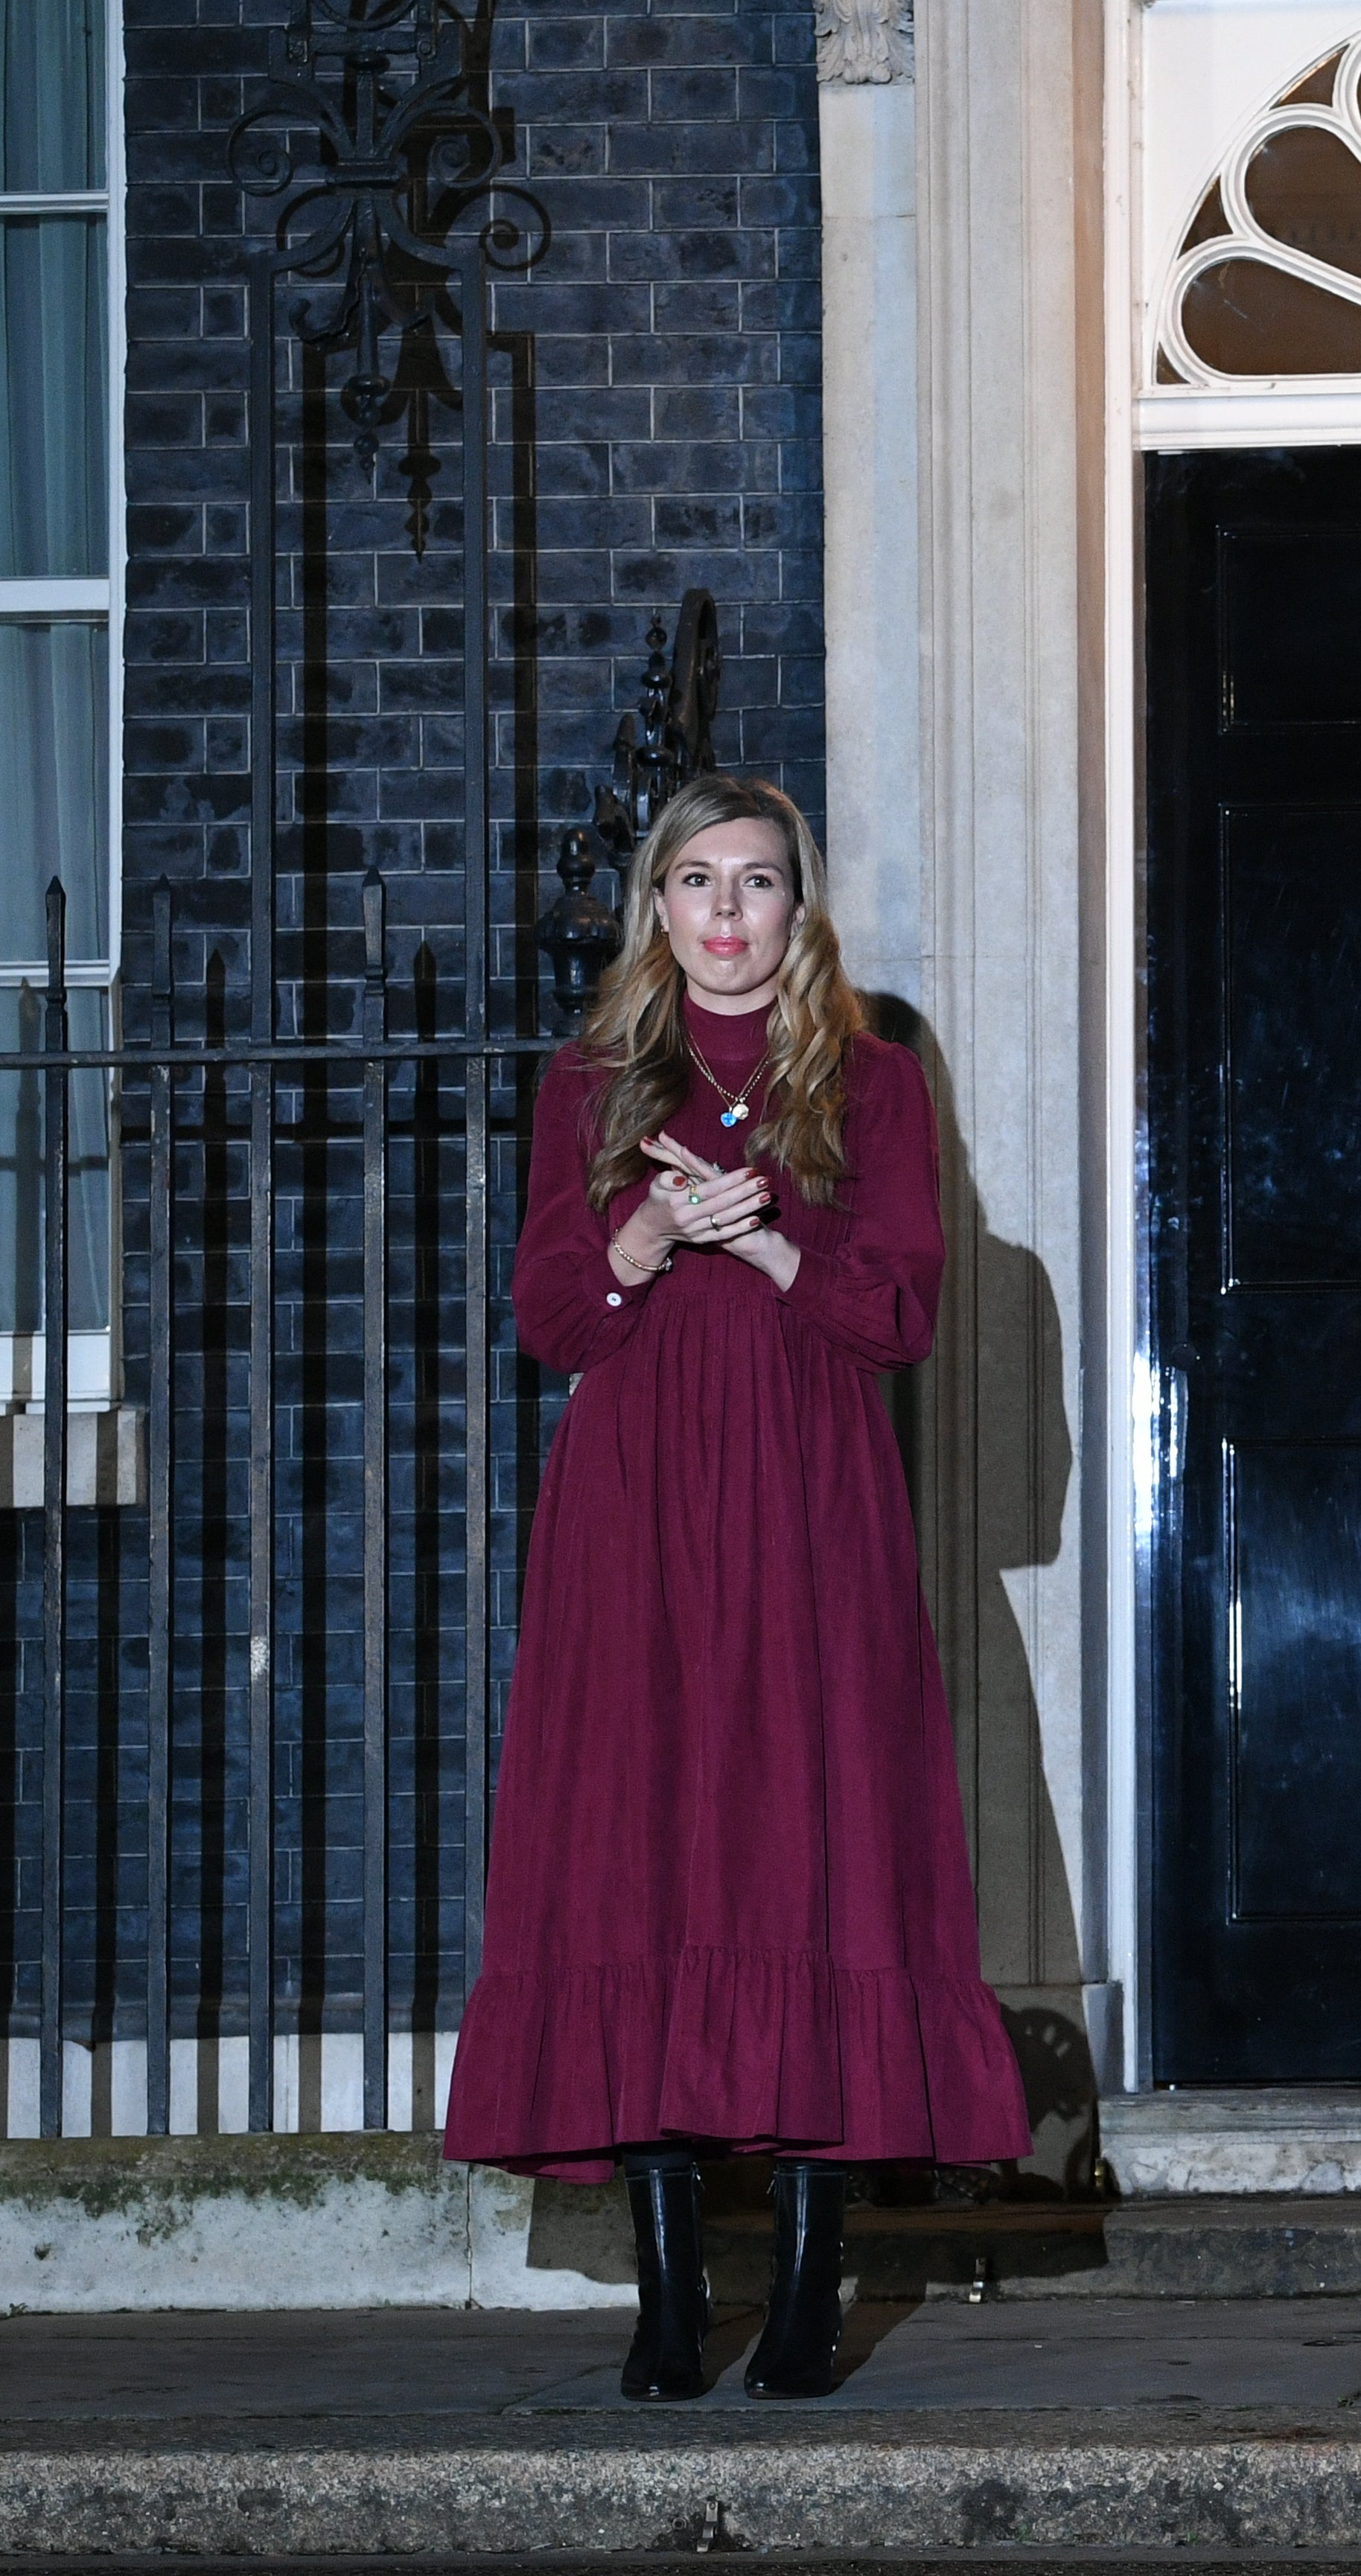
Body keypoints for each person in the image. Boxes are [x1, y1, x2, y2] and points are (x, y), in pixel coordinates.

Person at [442, 774, 1031, 2401]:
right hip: (632, 1511)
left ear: (798, 905)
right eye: (695, 881)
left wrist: (767, 1235)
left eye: (756, 881)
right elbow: (551, 1313)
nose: (724, 912)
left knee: (808, 1848)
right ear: (657, 905)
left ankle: (804, 2282)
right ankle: (662, 2291)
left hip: (808, 1503)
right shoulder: (590, 1079)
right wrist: (639, 1233)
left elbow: (900, 1315)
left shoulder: (875, 1081)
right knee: (638, 1849)